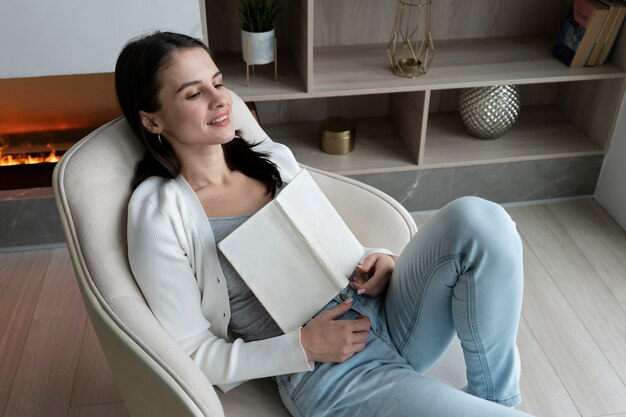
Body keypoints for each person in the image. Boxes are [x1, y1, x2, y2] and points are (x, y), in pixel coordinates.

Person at [117, 31, 534, 417]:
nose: (219, 99)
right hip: (331, 371)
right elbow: (190, 352)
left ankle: (497, 398)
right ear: (153, 121)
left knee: (480, 219)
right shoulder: (158, 213)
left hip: (387, 312)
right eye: (194, 94)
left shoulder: (270, 159)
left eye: (218, 82)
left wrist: (380, 259)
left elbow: (324, 241)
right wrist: (301, 347)